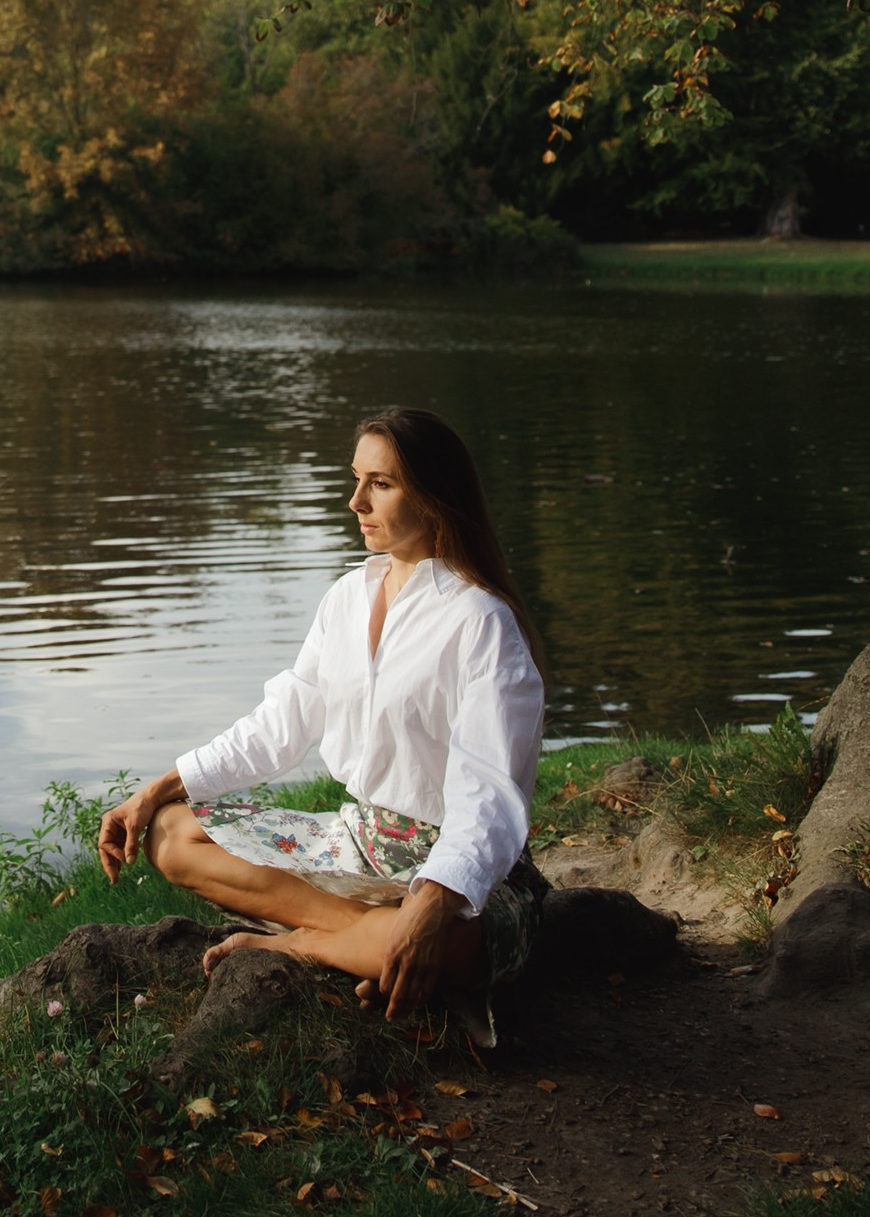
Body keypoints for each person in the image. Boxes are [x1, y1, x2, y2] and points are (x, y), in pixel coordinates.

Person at [96, 406, 546, 1022]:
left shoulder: (481, 621)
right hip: (361, 843)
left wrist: (434, 900)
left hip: (462, 875)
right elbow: (279, 725)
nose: (355, 501)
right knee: (172, 834)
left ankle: (318, 942)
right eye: (356, 478)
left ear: (436, 497)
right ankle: (368, 940)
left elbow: (490, 795)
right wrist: (154, 791)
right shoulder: (346, 598)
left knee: (448, 940)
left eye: (380, 484)